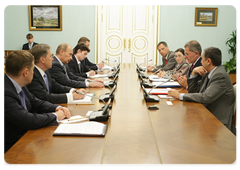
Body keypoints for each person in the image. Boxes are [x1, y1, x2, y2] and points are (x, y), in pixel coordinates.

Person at [2, 50, 71, 155]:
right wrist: (55, 116)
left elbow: (36, 102)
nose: (33, 73)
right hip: (11, 149)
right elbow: (28, 120)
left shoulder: (19, 83)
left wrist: (56, 108)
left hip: (26, 139)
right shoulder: (4, 93)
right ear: (25, 72)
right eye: (32, 70)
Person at [168, 47, 236, 135]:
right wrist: (193, 73)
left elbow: (205, 97)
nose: (200, 62)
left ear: (208, 61)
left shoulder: (220, 75)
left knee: (185, 129)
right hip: (206, 113)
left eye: (202, 59)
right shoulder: (209, 72)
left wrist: (180, 96)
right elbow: (195, 91)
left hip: (217, 121)